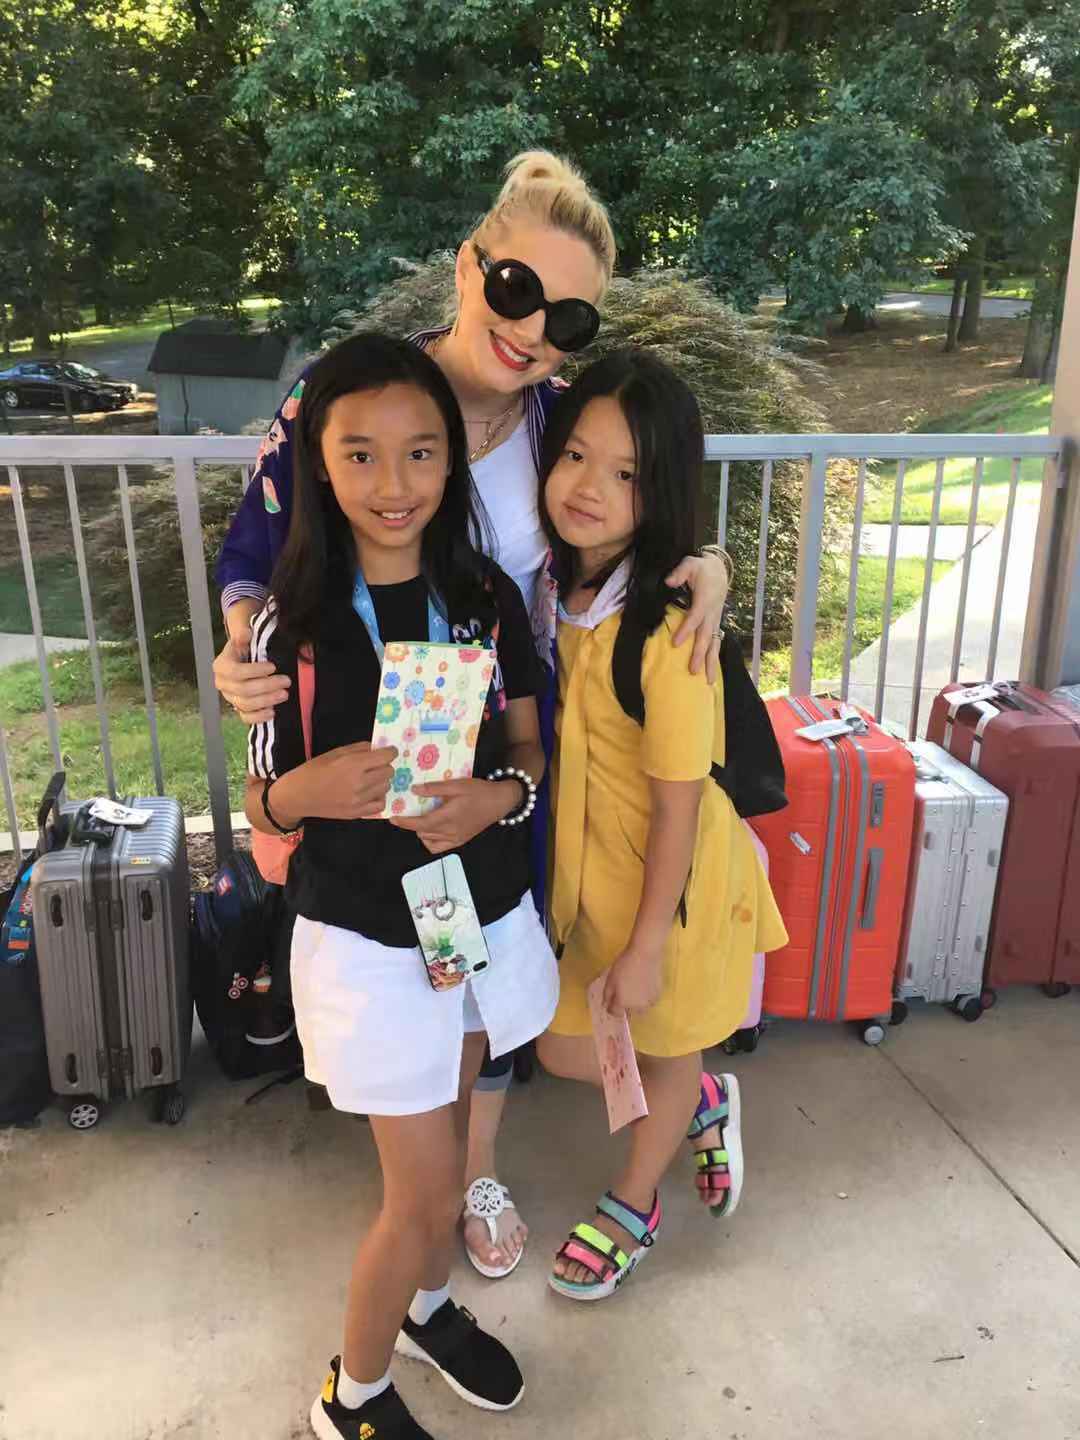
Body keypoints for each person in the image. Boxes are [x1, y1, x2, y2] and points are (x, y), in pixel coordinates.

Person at [215, 151, 732, 1277]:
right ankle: (422, 1188)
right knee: (396, 965)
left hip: (506, 758)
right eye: (514, 288)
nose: (533, 329)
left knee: (485, 968)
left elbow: (630, 503)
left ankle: (476, 1169)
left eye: (568, 317)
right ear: (468, 267)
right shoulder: (353, 391)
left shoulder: (556, 422)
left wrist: (708, 564)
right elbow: (255, 542)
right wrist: (244, 644)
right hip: (360, 765)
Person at [245, 332, 558, 1439]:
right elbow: (262, 808)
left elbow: (529, 749)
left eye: (421, 452)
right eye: (361, 454)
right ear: (319, 465)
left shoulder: (484, 595)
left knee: (455, 1129)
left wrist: (497, 798)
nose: (394, 483)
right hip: (365, 938)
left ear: (451, 463)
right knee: (421, 1193)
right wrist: (307, 791)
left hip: (466, 916)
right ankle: (354, 1394)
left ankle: (427, 1309)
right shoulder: (290, 624)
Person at [535, 350, 788, 1300]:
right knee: (561, 1046)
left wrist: (646, 944)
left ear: (664, 489)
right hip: (586, 879)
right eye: (576, 457)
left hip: (669, 891)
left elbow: (679, 802)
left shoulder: (671, 627)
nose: (590, 487)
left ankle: (635, 1204)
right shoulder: (557, 590)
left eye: (628, 473)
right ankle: (705, 1099)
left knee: (664, 1042)